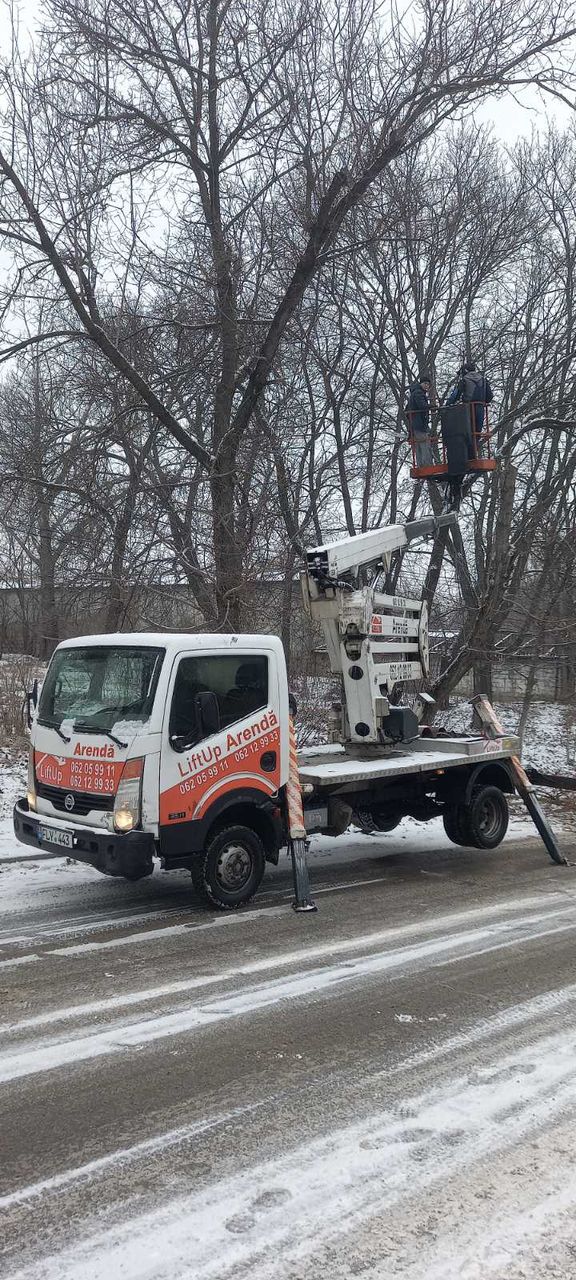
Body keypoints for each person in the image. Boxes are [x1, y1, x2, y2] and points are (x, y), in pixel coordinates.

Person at [446, 361, 494, 453]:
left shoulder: (464, 380)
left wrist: (447, 405)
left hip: (468, 409)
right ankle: (474, 452)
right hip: (480, 408)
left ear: (465, 371)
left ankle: (467, 454)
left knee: (467, 432)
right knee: (477, 433)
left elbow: (455, 395)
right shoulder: (483, 380)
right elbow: (489, 397)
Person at [406, 373, 434, 466]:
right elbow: (422, 406)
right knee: (425, 444)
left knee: (419, 444)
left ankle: (421, 465)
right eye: (425, 384)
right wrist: (432, 406)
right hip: (419, 423)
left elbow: (407, 409)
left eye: (428, 385)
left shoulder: (415, 392)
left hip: (415, 423)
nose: (427, 386)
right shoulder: (418, 393)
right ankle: (427, 465)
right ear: (421, 384)